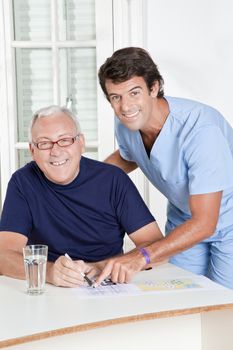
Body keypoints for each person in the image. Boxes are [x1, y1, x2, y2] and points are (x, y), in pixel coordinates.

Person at [96, 46, 233, 289]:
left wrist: (142, 256)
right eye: (116, 97)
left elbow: (205, 222)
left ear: (154, 87)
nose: (125, 107)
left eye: (134, 93)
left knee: (222, 306)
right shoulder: (126, 126)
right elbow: (130, 156)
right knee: (178, 295)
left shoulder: (201, 131)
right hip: (184, 219)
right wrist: (83, 182)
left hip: (226, 224)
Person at [0, 105, 163, 287]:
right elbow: (4, 256)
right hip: (49, 289)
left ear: (81, 143)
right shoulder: (22, 182)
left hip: (107, 286)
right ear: (32, 150)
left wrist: (101, 266)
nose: (55, 151)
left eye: (65, 140)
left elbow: (158, 247)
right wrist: (50, 271)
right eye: (44, 143)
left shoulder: (113, 180)